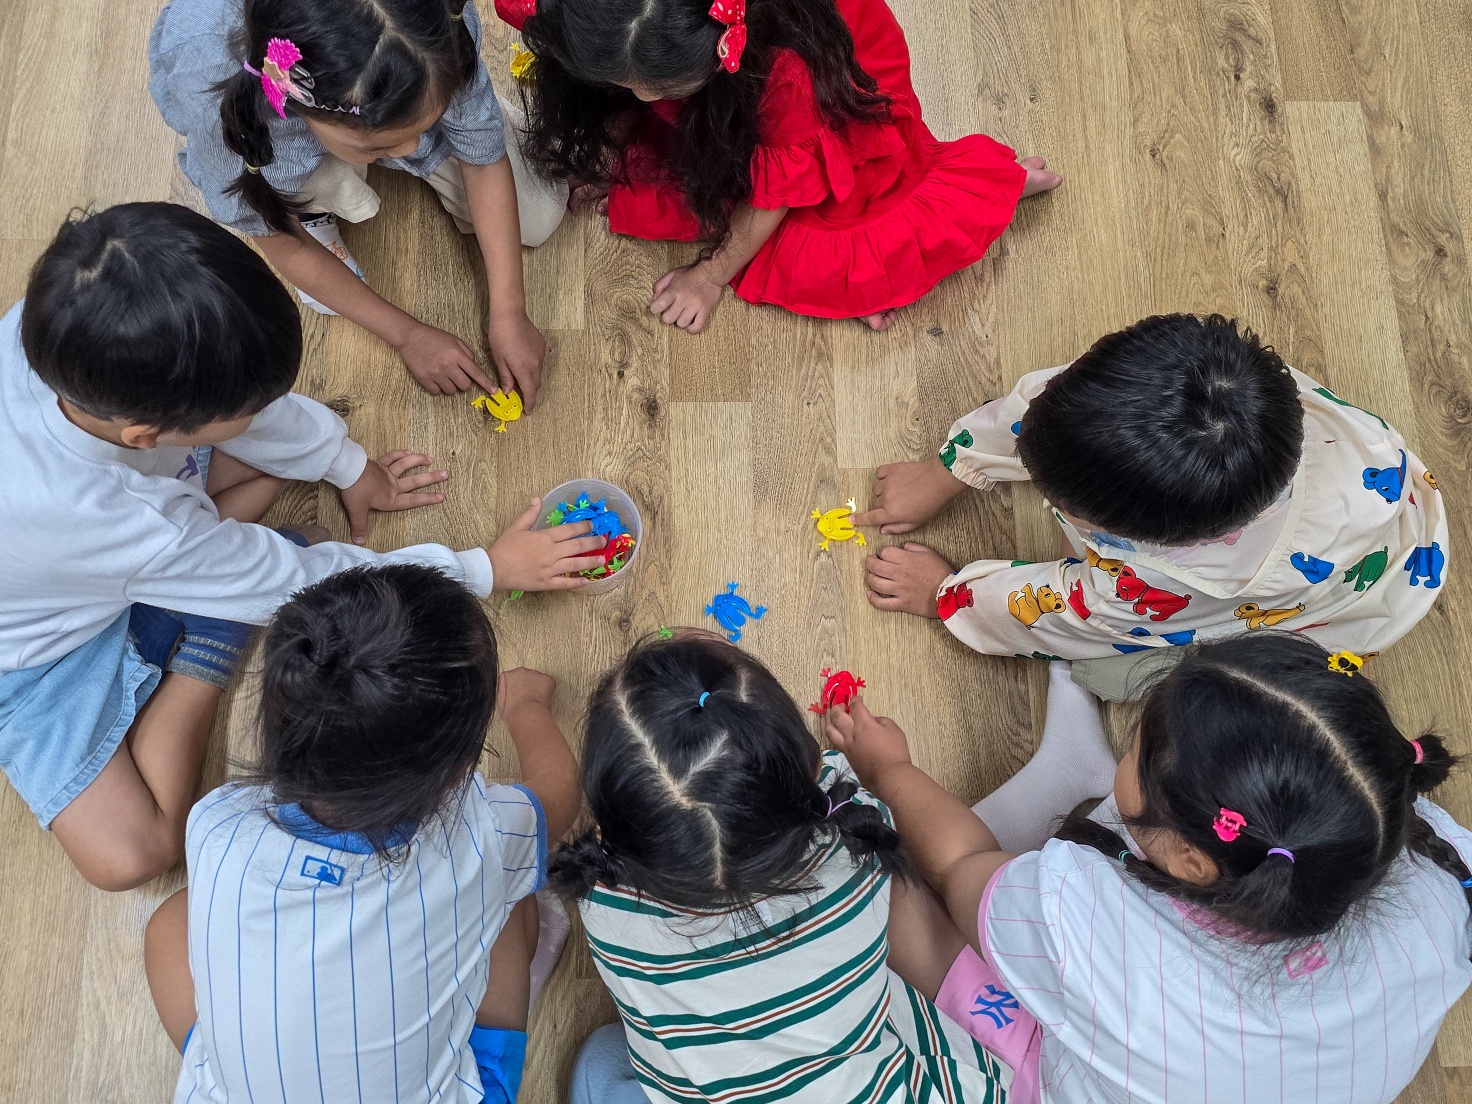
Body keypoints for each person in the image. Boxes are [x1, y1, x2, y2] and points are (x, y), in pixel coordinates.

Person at [0, 203, 607, 891]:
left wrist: (351, 468)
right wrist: (484, 568)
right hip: (32, 658)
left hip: (109, 550)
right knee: (132, 856)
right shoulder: (118, 522)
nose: (258, 414)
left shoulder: (58, 329)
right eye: (241, 412)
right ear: (144, 432)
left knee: (262, 462)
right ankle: (211, 632)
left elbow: (254, 411)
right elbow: (317, 579)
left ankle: (209, 579)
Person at [828, 634, 1472, 1104]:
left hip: (1093, 1072)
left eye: (1136, 746)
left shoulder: (1084, 925)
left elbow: (960, 866)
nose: (1131, 744)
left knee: (888, 892)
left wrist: (890, 771)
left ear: (1191, 862)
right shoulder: (1430, 859)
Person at [143, 565, 582, 1104]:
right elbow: (559, 797)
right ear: (454, 770)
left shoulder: (218, 823)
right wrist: (527, 706)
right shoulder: (480, 834)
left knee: (171, 921)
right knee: (513, 896)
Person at [856, 313, 1449, 698]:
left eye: (1056, 495)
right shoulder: (1228, 390)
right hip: (1384, 511)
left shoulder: (1162, 579)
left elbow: (1060, 614)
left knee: (1106, 674)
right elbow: (1045, 404)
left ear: (1144, 538)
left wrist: (948, 594)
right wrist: (948, 469)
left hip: (1326, 611)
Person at [551, 632, 1009, 1104]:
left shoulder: (603, 902)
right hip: (884, 1088)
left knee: (600, 1060)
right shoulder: (853, 856)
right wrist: (879, 764)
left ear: (609, 828)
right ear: (809, 773)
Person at [500, 0, 1060, 334]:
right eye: (624, 85)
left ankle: (1000, 187)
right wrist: (611, 145)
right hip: (730, 83)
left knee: (853, 232)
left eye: (648, 88)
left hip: (826, 99)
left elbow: (774, 195)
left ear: (719, 52)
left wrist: (709, 277)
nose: (643, 100)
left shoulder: (786, 79)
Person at [149, 0, 567, 403]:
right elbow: (277, 237)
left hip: (379, 99)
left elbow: (481, 160)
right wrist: (407, 335)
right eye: (381, 146)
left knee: (540, 213)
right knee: (295, 191)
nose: (411, 150)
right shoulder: (221, 104)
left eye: (424, 125)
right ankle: (320, 197)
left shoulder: (433, 24)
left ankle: (406, 125)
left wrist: (510, 312)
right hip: (263, 129)